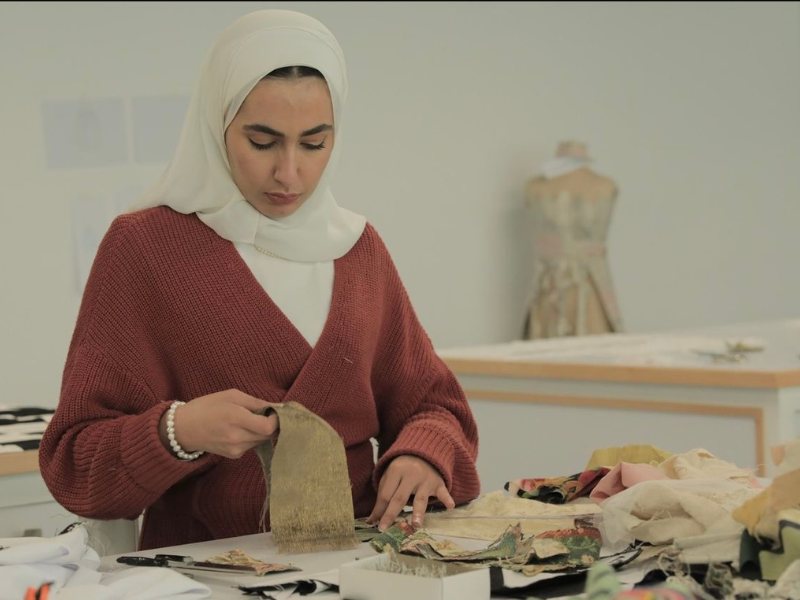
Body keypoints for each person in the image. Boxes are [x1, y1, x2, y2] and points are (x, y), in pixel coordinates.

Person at [38, 9, 480, 551]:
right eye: (262, 141)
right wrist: (178, 432)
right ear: (214, 124)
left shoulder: (357, 248)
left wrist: (422, 453)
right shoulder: (144, 249)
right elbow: (74, 460)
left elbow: (434, 406)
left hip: (364, 564)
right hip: (202, 576)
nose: (289, 173)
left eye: (314, 144)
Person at [522, 141, 624, 340]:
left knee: (593, 344)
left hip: (590, 281)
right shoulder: (534, 185)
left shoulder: (605, 184)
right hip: (548, 282)